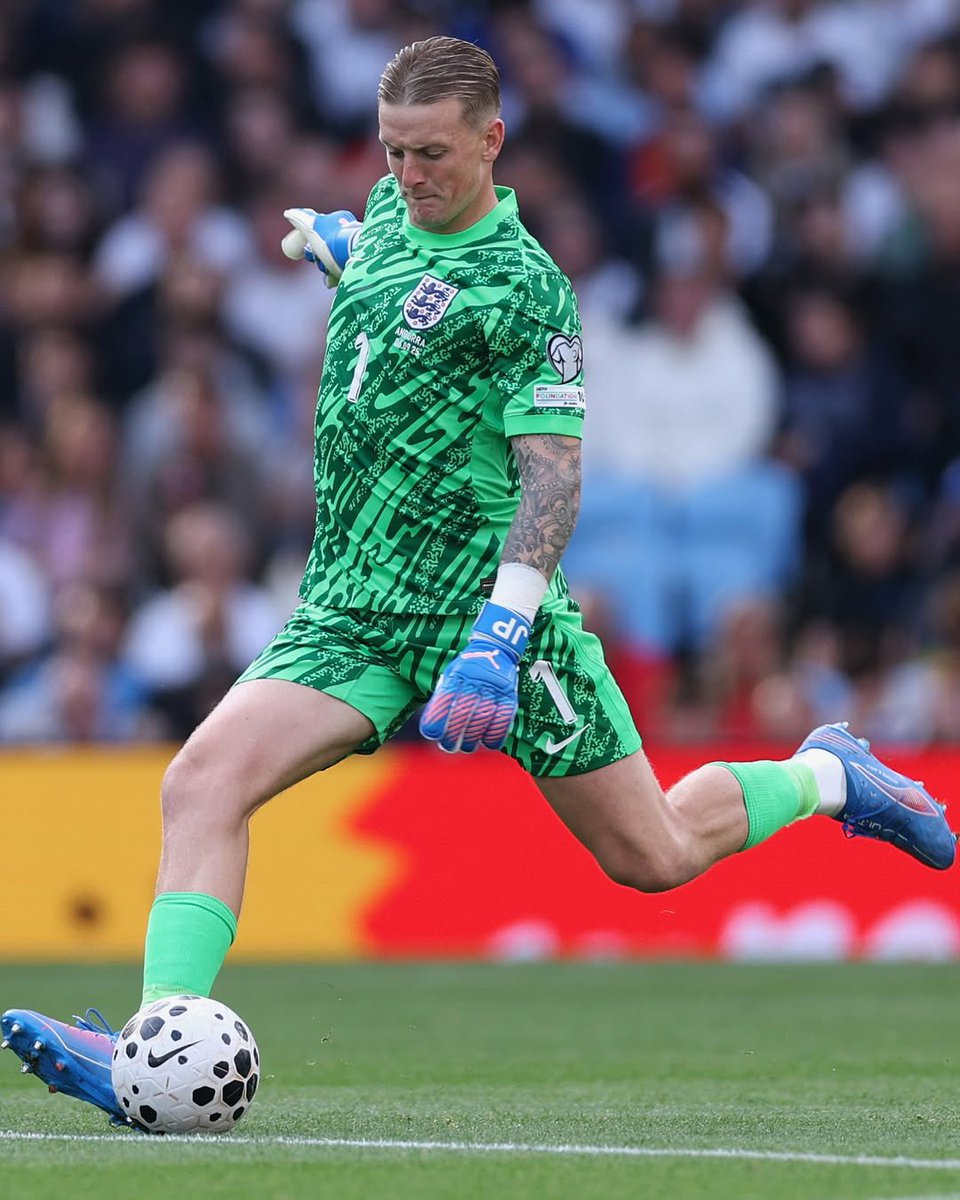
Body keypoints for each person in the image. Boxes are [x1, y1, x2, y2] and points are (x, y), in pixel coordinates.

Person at [2, 35, 955, 1131]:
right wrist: (350, 254)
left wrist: (502, 635)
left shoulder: (527, 290)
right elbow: (406, 306)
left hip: (489, 616)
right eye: (393, 151)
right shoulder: (386, 216)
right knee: (201, 782)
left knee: (651, 856)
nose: (409, 175)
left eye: (433, 156)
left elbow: (553, 476)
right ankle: (153, 1047)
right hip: (353, 610)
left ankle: (827, 774)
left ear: (492, 141)